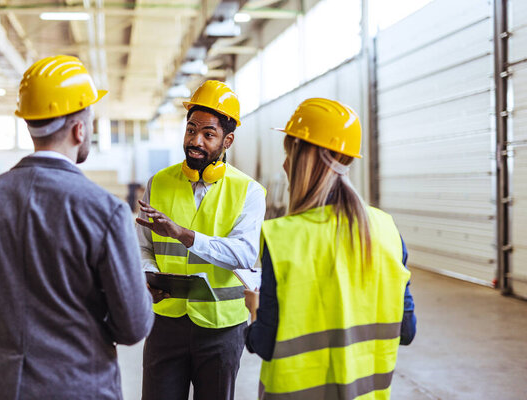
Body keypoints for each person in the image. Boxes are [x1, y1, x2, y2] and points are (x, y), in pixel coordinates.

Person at [0, 55, 154, 400]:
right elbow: (133, 327)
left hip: (0, 389)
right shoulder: (104, 211)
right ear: (80, 129)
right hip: (81, 388)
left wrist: (6, 308)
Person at [244, 98, 417, 399]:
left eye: (288, 153)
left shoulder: (282, 237)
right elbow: (407, 331)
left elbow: (265, 343)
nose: (284, 164)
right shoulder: (387, 230)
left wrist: (253, 309)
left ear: (301, 156)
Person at [136, 80, 266, 400]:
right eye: (191, 129)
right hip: (165, 321)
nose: (195, 141)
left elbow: (245, 253)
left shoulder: (248, 191)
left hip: (221, 328)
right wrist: (149, 276)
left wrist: (185, 236)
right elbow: (142, 246)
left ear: (227, 140)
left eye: (208, 134)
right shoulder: (159, 183)